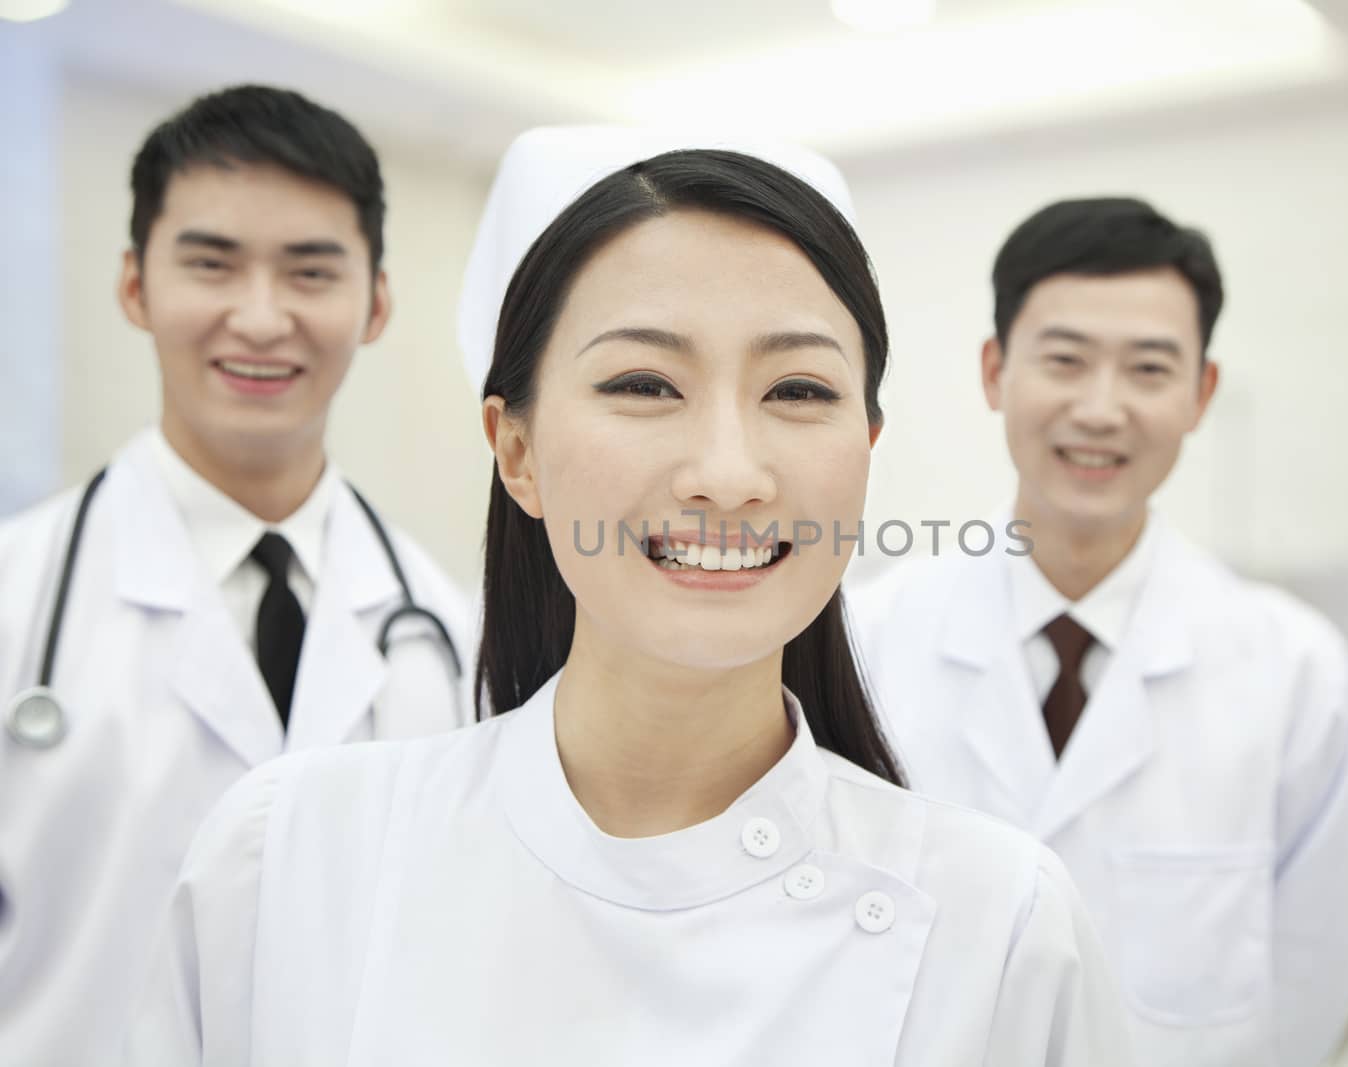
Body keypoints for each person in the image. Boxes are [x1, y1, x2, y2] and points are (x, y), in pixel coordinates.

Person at [124, 128, 1135, 1065]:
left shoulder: (1001, 924)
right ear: (515, 450)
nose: (730, 472)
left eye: (798, 391)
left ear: (865, 450)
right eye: (645, 384)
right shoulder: (288, 853)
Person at [0, 85, 472, 1065]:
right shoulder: (17, 595)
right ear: (134, 286)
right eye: (211, 264)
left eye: (310, 271)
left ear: (375, 301)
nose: (260, 318)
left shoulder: (443, 625)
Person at [849, 197, 1348, 1067]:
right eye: (1064, 359)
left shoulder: (1293, 669)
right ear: (994, 371)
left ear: (1201, 393)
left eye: (1148, 368)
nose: (1101, 409)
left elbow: (1316, 972)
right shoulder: (864, 637)